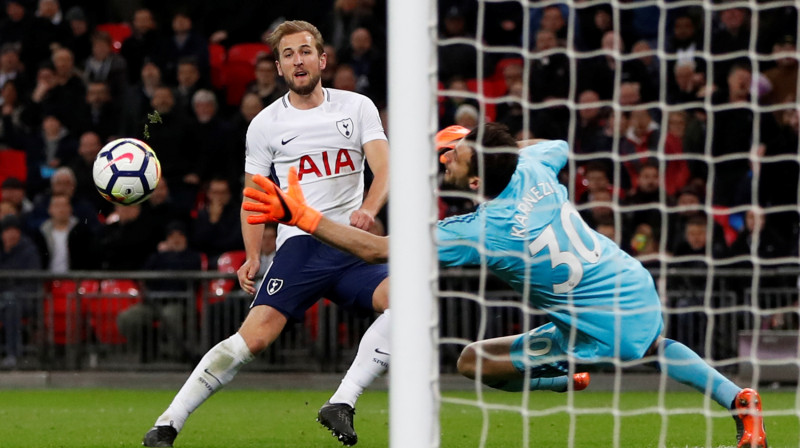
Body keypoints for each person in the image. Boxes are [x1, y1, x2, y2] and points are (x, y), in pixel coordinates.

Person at [243, 122, 769, 448]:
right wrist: (496, 147)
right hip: (627, 282)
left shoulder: (477, 232)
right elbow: (557, 143)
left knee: (624, 350)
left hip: (596, 325)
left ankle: (569, 368)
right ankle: (740, 402)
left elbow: (378, 250)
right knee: (474, 361)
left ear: (475, 184)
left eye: (458, 157)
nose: (447, 157)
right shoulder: (532, 167)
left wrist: (304, 217)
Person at [142, 20, 391, 448]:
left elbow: (385, 167)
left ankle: (342, 401)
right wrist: (253, 254)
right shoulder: (264, 125)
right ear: (278, 67)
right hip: (302, 248)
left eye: (306, 51)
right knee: (251, 340)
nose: (299, 59)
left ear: (322, 59)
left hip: (351, 243)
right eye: (289, 54)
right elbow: (252, 196)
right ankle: (167, 423)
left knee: (411, 305)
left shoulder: (357, 107)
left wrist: (368, 210)